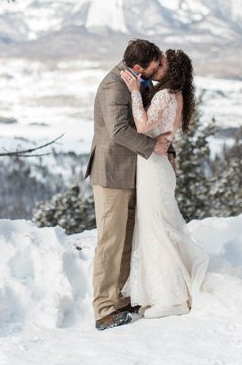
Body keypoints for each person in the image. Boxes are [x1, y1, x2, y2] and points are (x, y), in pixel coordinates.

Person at [85, 39, 176, 331]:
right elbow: (119, 130)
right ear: (138, 67)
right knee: (110, 242)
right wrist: (154, 147)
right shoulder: (114, 85)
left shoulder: (136, 81)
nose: (155, 71)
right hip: (112, 173)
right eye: (152, 67)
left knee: (124, 241)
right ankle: (103, 309)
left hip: (133, 172)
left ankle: (120, 299)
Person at [119, 48, 209, 319]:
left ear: (172, 70)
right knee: (158, 227)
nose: (157, 67)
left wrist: (135, 91)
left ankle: (171, 298)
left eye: (162, 65)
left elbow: (143, 127)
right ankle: (162, 291)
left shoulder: (165, 95)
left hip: (153, 168)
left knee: (157, 229)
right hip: (157, 167)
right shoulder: (176, 95)